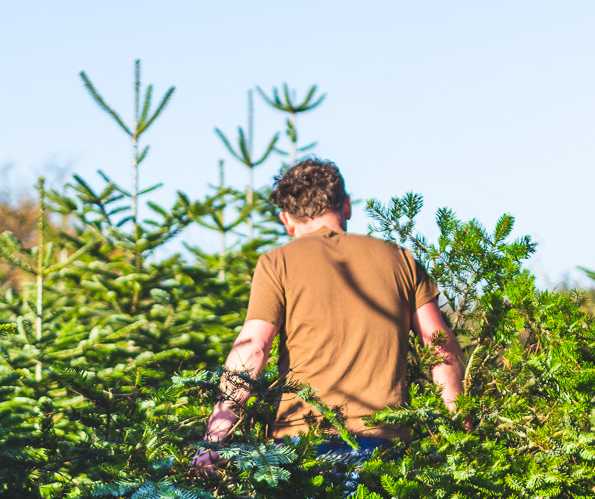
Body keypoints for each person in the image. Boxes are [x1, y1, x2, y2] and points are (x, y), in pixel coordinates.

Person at [194, 158, 462, 472]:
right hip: (382, 441)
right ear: (346, 205)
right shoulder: (400, 258)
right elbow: (438, 345)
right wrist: (461, 429)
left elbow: (253, 349)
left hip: (300, 441)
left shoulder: (276, 262)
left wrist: (215, 438)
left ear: (286, 220)